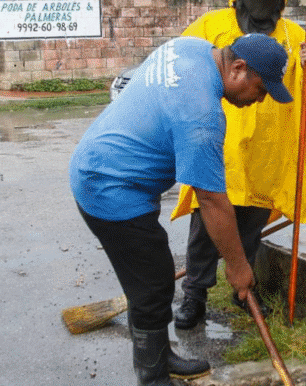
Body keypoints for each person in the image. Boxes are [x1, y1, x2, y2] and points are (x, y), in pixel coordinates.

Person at [69, 33, 292, 386]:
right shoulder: (202, 117)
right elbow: (213, 202)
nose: (261, 99)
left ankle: (162, 357)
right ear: (238, 68)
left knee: (152, 276)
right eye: (261, 88)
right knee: (153, 286)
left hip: (101, 160)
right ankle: (153, 377)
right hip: (109, 184)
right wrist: (237, 267)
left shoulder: (191, 48)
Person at [170, 0, 306, 329]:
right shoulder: (211, 26)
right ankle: (194, 296)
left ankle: (243, 293)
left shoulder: (298, 38)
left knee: (250, 229)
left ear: (281, 3)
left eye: (271, 0)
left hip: (268, 153)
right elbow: (183, 66)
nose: (263, 8)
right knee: (206, 226)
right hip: (218, 146)